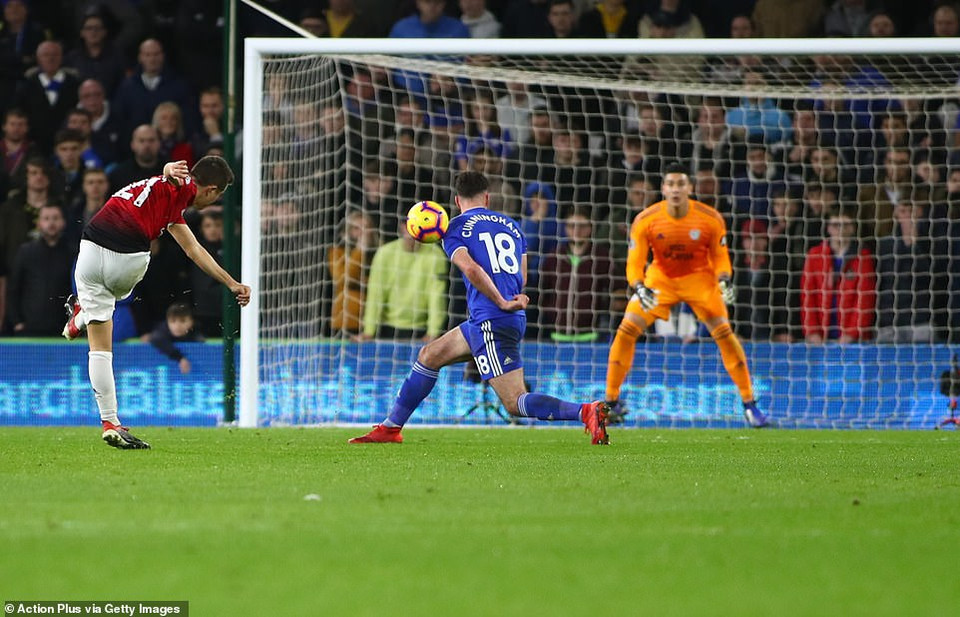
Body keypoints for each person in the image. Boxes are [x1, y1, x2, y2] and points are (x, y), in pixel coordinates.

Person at [349, 171, 610, 444]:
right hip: (496, 317)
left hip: (492, 318)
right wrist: (512, 297)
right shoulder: (512, 226)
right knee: (429, 355)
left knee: (515, 402)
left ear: (456, 200)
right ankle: (390, 428)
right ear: (487, 198)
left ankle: (585, 411)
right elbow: (521, 276)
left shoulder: (454, 228)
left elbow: (471, 269)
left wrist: (500, 301)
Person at [61, 156, 250, 449]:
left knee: (99, 348)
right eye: (218, 196)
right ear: (212, 189)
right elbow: (173, 176)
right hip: (126, 257)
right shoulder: (181, 185)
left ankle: (109, 421)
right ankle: (86, 313)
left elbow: (194, 249)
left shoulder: (166, 203)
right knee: (117, 294)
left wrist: (230, 282)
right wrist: (169, 169)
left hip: (88, 249)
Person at [603, 163, 769, 428]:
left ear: (689, 188)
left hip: (699, 280)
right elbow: (634, 262)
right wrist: (638, 285)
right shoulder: (645, 219)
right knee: (626, 330)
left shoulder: (710, 218)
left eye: (681, 183)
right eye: (671, 184)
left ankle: (750, 405)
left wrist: (724, 279)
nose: (676, 189)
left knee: (725, 334)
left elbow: (720, 258)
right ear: (663, 188)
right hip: (660, 280)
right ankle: (611, 402)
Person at [358, 218, 447, 342]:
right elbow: (376, 294)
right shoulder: (385, 253)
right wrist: (369, 331)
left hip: (421, 330)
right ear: (402, 227)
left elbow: (436, 296)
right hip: (387, 328)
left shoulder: (436, 255)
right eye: (409, 225)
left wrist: (433, 331)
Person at [800, 204, 875, 344]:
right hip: (821, 336)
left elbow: (865, 299)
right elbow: (808, 297)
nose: (840, 229)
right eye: (836, 225)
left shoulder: (863, 256)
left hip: (852, 338)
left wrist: (851, 334)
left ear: (853, 228)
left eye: (845, 225)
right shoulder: (815, 255)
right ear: (828, 228)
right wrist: (812, 332)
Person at [5, 204, 75, 335]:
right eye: (46, 218)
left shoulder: (72, 253)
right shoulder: (26, 252)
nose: (51, 223)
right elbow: (14, 289)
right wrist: (16, 322)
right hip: (29, 329)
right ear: (39, 223)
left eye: (55, 218)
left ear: (63, 222)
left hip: (63, 329)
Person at [148, 301, 203, 374]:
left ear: (191, 322)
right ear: (167, 322)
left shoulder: (197, 335)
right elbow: (156, 338)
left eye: (183, 321)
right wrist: (180, 358)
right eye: (173, 321)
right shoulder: (161, 332)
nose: (177, 326)